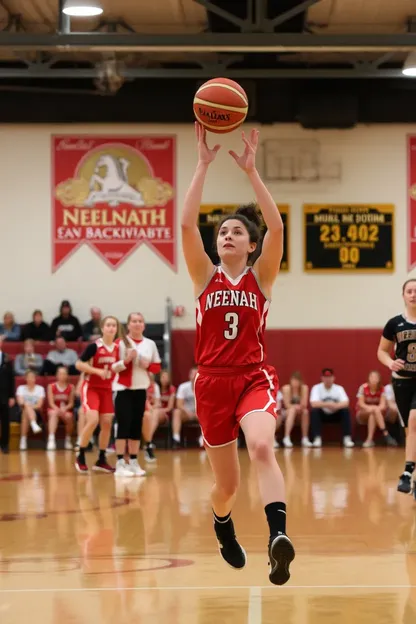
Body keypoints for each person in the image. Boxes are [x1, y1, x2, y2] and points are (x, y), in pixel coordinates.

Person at [180, 122, 294, 585]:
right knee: (226, 486)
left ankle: (278, 539)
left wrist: (251, 172)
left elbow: (278, 225)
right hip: (210, 383)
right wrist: (203, 164)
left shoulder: (260, 279)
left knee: (263, 445)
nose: (227, 236)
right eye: (222, 232)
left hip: (252, 377)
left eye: (236, 232)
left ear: (250, 244)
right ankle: (223, 525)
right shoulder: (204, 278)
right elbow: (187, 224)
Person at [377, 278, 416, 496]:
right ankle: (413, 479)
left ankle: (407, 472)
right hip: (401, 381)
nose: (413, 294)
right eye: (409, 291)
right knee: (411, 430)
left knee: (414, 419)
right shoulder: (394, 323)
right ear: (403, 295)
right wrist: (390, 362)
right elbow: (381, 351)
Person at [111, 312, 161, 476]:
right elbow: (113, 367)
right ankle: (120, 463)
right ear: (128, 325)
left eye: (140, 321)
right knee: (123, 425)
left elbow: (157, 367)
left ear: (144, 325)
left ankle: (133, 461)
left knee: (136, 426)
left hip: (141, 389)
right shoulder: (120, 343)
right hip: (122, 389)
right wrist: (126, 361)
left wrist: (147, 365)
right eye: (134, 321)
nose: (137, 324)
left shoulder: (150, 344)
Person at [74, 316, 121, 474]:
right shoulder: (94, 346)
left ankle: (101, 459)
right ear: (102, 328)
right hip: (91, 388)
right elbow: (78, 364)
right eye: (108, 325)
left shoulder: (117, 348)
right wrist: (97, 371)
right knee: (93, 420)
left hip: (107, 389)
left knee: (107, 423)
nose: (111, 328)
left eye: (114, 325)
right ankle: (80, 454)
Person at [309, 368, 354, 448]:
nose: (328, 379)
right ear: (322, 378)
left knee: (345, 411)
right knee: (314, 412)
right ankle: (317, 438)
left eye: (329, 377)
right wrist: (327, 404)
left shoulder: (339, 388)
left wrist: (336, 406)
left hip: (335, 414)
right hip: (322, 415)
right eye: (326, 377)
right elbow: (313, 403)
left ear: (333, 378)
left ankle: (347, 438)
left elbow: (346, 402)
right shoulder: (316, 388)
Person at [356, 370, 397, 448]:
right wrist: (373, 408)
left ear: (379, 379)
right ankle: (385, 433)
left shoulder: (382, 389)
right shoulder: (363, 387)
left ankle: (369, 440)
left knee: (373, 414)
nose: (374, 379)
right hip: (362, 413)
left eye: (376, 377)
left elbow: (382, 406)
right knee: (374, 411)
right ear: (368, 378)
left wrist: (374, 409)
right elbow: (361, 404)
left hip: (375, 414)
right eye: (372, 377)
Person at [46, 366, 75, 450]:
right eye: (60, 373)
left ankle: (68, 439)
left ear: (67, 376)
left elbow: (71, 403)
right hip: (54, 408)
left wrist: (64, 409)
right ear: (57, 375)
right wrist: (58, 410)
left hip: (65, 409)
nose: (62, 375)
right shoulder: (51, 386)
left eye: (64, 374)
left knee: (69, 416)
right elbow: (51, 403)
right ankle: (51, 440)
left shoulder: (71, 387)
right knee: (53, 414)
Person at [171, 366, 200, 449]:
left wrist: (197, 413)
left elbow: (207, 404)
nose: (194, 376)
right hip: (186, 413)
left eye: (196, 374)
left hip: (199, 413)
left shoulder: (204, 387)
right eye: (193, 374)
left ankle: (203, 440)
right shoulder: (183, 387)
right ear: (189, 375)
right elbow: (179, 404)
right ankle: (176, 439)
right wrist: (188, 412)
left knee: (208, 414)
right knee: (176, 412)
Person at [280, 371, 311, 448]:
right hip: (287, 412)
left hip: (300, 411)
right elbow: (287, 405)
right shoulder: (286, 388)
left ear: (300, 381)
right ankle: (286, 437)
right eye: (293, 380)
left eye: (297, 381)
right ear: (290, 380)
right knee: (292, 410)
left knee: (306, 412)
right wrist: (295, 407)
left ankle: (305, 438)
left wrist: (299, 407)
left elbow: (304, 404)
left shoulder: (304, 388)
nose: (295, 383)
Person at [16, 370, 44, 451]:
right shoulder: (20, 388)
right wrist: (28, 406)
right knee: (25, 410)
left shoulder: (40, 389)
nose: (31, 379)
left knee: (26, 409)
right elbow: (21, 402)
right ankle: (33, 424)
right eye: (29, 377)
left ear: (35, 378)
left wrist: (28, 406)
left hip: (36, 413)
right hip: (21, 413)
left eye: (33, 377)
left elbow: (39, 405)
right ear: (26, 378)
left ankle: (23, 440)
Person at [0, 336, 16, 454]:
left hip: (4, 395)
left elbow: (11, 378)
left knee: (5, 421)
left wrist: (12, 396)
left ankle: (5, 444)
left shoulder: (7, 358)